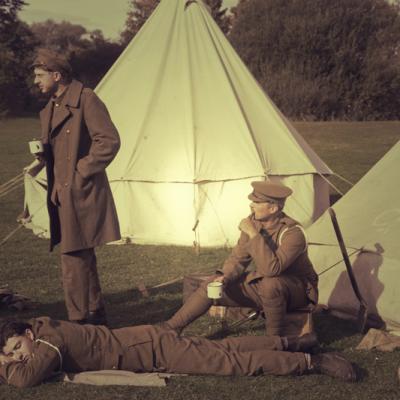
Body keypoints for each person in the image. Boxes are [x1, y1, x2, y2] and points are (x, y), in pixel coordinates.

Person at [29, 49, 121, 325]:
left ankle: (78, 321)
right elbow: (61, 149)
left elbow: (109, 141)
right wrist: (44, 156)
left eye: (40, 75)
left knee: (72, 257)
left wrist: (80, 171)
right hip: (61, 192)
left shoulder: (86, 99)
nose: (36, 81)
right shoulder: (50, 108)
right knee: (81, 253)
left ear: (57, 75)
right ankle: (95, 313)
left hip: (82, 191)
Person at [0, 317, 357, 387]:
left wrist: (3, 365)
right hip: (148, 340)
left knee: (229, 363)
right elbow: (26, 367)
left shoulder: (48, 342)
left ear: (28, 333)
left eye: (17, 347)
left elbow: (25, 381)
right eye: (11, 355)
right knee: (224, 347)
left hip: (153, 349)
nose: (19, 356)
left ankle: (311, 361)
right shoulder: (45, 329)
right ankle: (294, 343)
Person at [164, 181, 319, 336]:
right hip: (267, 284)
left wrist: (253, 234)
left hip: (297, 291)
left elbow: (271, 269)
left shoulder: (293, 233)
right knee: (213, 282)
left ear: (273, 208)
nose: (251, 205)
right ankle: (170, 328)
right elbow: (238, 258)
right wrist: (225, 277)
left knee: (271, 284)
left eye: (257, 202)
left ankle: (274, 341)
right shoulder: (253, 225)